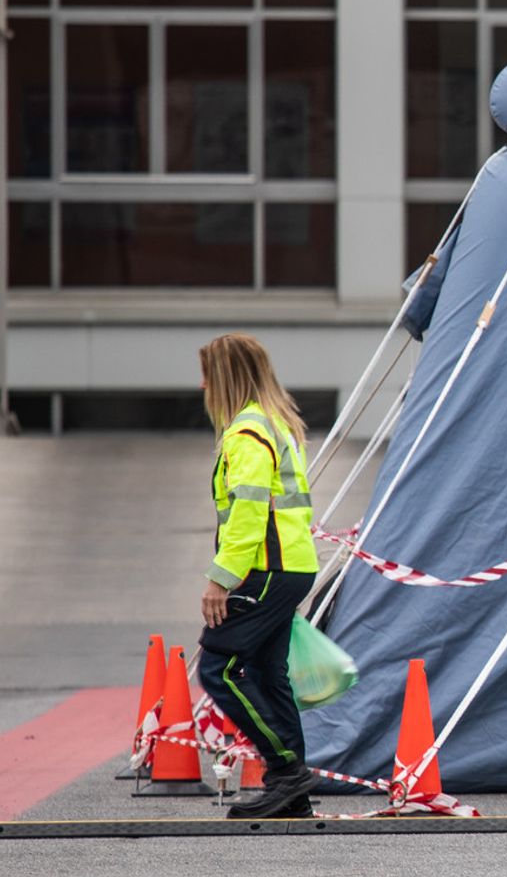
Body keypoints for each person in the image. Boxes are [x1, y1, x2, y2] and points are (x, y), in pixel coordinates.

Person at [196, 333, 321, 819]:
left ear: (225, 377)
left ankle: (286, 772)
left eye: (208, 373)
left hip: (265, 568)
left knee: (217, 669)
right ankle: (294, 795)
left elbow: (248, 513)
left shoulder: (246, 433)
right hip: (291, 566)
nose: (202, 384)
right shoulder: (276, 424)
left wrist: (219, 579)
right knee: (269, 676)